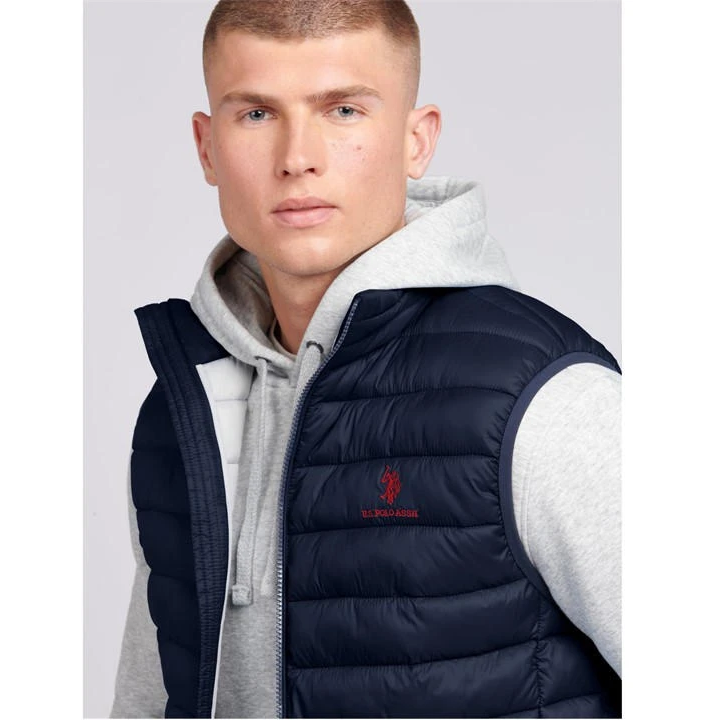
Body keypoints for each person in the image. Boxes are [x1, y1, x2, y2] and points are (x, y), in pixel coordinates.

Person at [111, 1, 621, 717]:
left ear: (417, 140)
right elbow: (147, 698)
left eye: (343, 110)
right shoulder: (183, 408)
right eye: (256, 114)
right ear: (207, 147)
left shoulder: (544, 401)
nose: (297, 157)